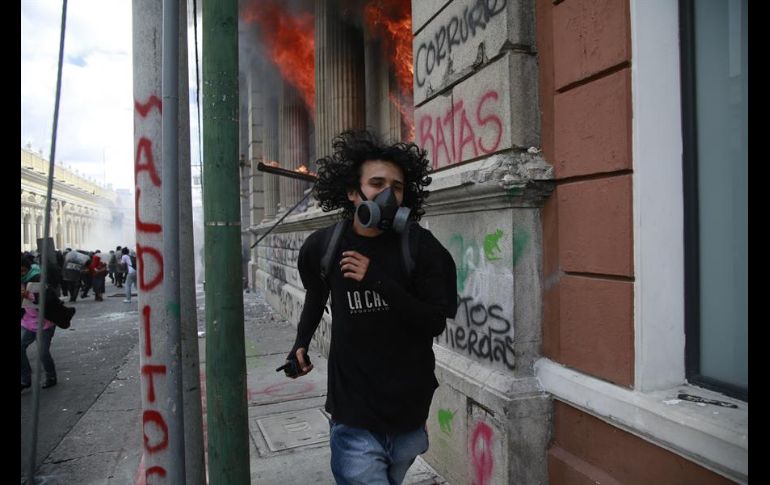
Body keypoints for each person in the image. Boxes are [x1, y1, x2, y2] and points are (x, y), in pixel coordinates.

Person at [283, 130, 457, 485]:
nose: (388, 194)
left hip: (409, 411)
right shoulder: (322, 247)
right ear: (352, 191)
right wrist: (301, 342)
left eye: (396, 186)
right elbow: (316, 296)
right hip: (354, 413)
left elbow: (433, 322)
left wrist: (377, 279)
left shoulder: (422, 248)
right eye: (376, 183)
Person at [21, 256, 58, 390]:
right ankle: (25, 379)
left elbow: (49, 298)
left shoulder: (37, 279)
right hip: (27, 322)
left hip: (44, 323)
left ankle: (51, 376)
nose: (21, 274)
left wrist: (28, 296)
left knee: (43, 352)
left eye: (23, 271)